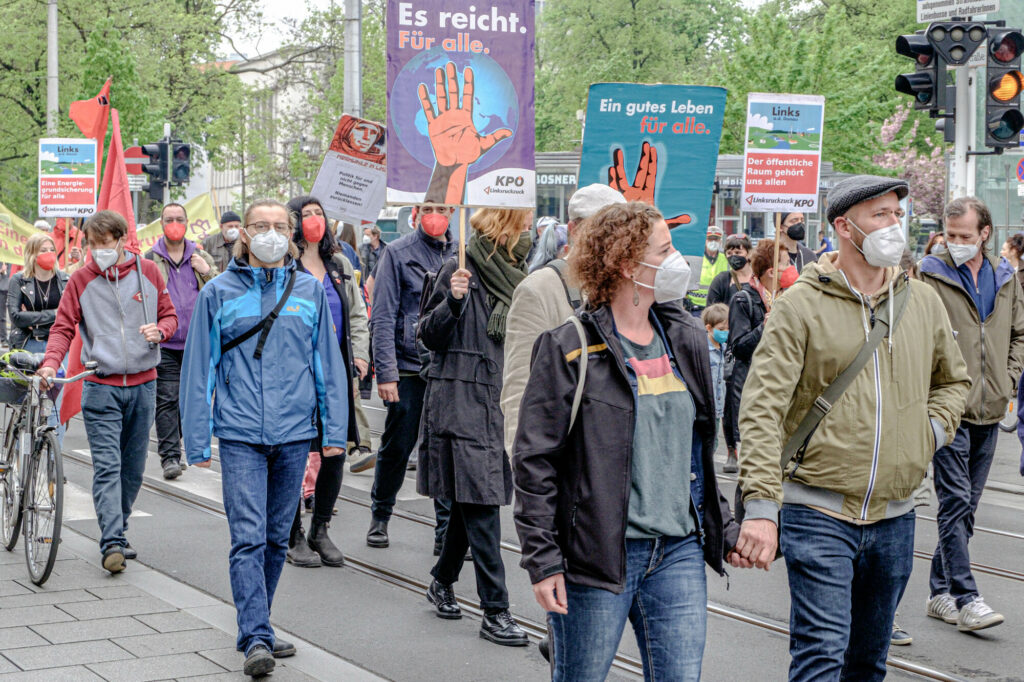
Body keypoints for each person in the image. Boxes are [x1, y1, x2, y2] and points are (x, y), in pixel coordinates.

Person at [736, 176, 970, 681]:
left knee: (868, 661)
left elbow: (954, 381)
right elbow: (761, 408)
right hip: (817, 509)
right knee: (821, 654)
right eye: (879, 215)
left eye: (896, 213)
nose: (893, 224)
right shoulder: (802, 304)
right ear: (844, 227)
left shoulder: (922, 302)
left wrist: (927, 434)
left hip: (895, 515)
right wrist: (760, 506)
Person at [514, 201, 741, 681]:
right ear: (624, 263)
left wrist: (724, 525)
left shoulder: (685, 338)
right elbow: (535, 462)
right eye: (665, 249)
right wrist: (543, 559)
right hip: (597, 554)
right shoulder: (568, 346)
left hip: (677, 548)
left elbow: (694, 449)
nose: (678, 260)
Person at [180, 199, 349, 678]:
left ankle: (260, 625)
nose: (272, 233)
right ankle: (255, 634)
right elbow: (199, 368)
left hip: (294, 434)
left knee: (277, 539)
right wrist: (197, 440)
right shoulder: (217, 292)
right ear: (244, 234)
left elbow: (326, 364)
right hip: (239, 435)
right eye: (262, 225)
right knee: (248, 538)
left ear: (291, 233)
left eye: (280, 226)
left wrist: (333, 430)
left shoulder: (310, 291)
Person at [39, 210, 177, 573]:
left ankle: (120, 527)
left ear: (121, 240)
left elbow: (170, 316)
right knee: (107, 466)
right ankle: (112, 542)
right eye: (93, 244)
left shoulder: (148, 272)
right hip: (101, 386)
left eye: (105, 243)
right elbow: (62, 327)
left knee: (132, 470)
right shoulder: (80, 280)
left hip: (144, 385)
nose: (99, 250)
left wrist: (160, 331)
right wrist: (52, 363)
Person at [418, 207, 531, 647]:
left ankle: (442, 580)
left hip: (499, 399)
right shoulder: (458, 265)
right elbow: (427, 335)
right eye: (522, 221)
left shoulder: (520, 272)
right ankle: (495, 609)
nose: (527, 230)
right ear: (505, 223)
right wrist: (454, 301)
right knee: (482, 504)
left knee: (473, 500)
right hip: (461, 401)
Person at [918, 197, 1024, 632]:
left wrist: (1010, 377)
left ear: (985, 233)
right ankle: (965, 595)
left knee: (968, 506)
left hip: (990, 406)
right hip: (947, 408)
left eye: (965, 236)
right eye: (950, 234)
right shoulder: (929, 273)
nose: (955, 243)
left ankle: (938, 591)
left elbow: (1019, 333)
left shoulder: (1006, 278)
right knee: (955, 500)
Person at [501, 183, 626, 457]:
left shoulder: (625, 286)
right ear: (574, 230)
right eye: (600, 230)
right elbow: (518, 391)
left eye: (618, 231)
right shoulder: (540, 288)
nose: (610, 240)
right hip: (567, 458)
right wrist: (525, 472)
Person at [283, 195, 371, 569]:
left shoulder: (340, 265)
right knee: (292, 452)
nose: (315, 219)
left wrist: (361, 354)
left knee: (334, 448)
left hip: (334, 375)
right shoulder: (284, 265)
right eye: (307, 214)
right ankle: (292, 534)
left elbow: (356, 313)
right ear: (294, 222)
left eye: (320, 213)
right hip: (294, 376)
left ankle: (321, 527)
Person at [363, 199, 455, 548]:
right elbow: (383, 316)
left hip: (447, 367)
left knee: (443, 447)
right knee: (398, 445)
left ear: (454, 213)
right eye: (429, 207)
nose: (436, 215)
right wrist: (385, 372)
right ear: (416, 212)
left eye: (443, 208)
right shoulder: (397, 253)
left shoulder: (461, 254)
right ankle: (380, 513)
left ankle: (444, 531)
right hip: (408, 366)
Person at [145, 203, 219, 479]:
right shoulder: (150, 258)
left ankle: (186, 447)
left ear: (187, 223)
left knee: (190, 400)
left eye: (179, 219)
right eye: (168, 219)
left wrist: (207, 271)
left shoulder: (201, 256)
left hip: (197, 344)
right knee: (167, 399)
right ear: (161, 224)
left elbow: (222, 292)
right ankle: (170, 457)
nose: (174, 223)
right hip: (164, 343)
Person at [724, 239, 790, 474]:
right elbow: (739, 347)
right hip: (751, 390)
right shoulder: (744, 300)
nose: (791, 268)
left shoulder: (789, 299)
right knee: (752, 472)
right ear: (772, 271)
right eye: (786, 263)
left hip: (780, 392)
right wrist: (765, 326)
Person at [9, 233, 69, 443]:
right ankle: (22, 458)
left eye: (51, 249)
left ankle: (52, 465)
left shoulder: (64, 279)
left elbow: (69, 314)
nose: (48, 254)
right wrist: (54, 314)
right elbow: (16, 316)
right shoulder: (19, 280)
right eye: (43, 250)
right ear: (32, 254)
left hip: (59, 347)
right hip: (28, 346)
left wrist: (36, 318)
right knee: (27, 402)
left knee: (54, 405)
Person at [702, 303, 729, 456]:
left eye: (727, 329)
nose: (725, 333)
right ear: (709, 328)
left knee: (713, 443)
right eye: (721, 329)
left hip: (718, 407)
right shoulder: (703, 350)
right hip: (705, 406)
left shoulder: (724, 349)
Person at [685, 224, 728, 312]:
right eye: (710, 239)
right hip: (696, 306)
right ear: (705, 240)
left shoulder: (726, 259)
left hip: (718, 307)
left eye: (716, 239)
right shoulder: (696, 259)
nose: (713, 242)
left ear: (720, 241)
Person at [707, 233, 752, 306]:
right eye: (729, 253)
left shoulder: (759, 278)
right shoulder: (721, 280)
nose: (733, 256)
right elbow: (711, 311)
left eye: (738, 252)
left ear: (749, 253)